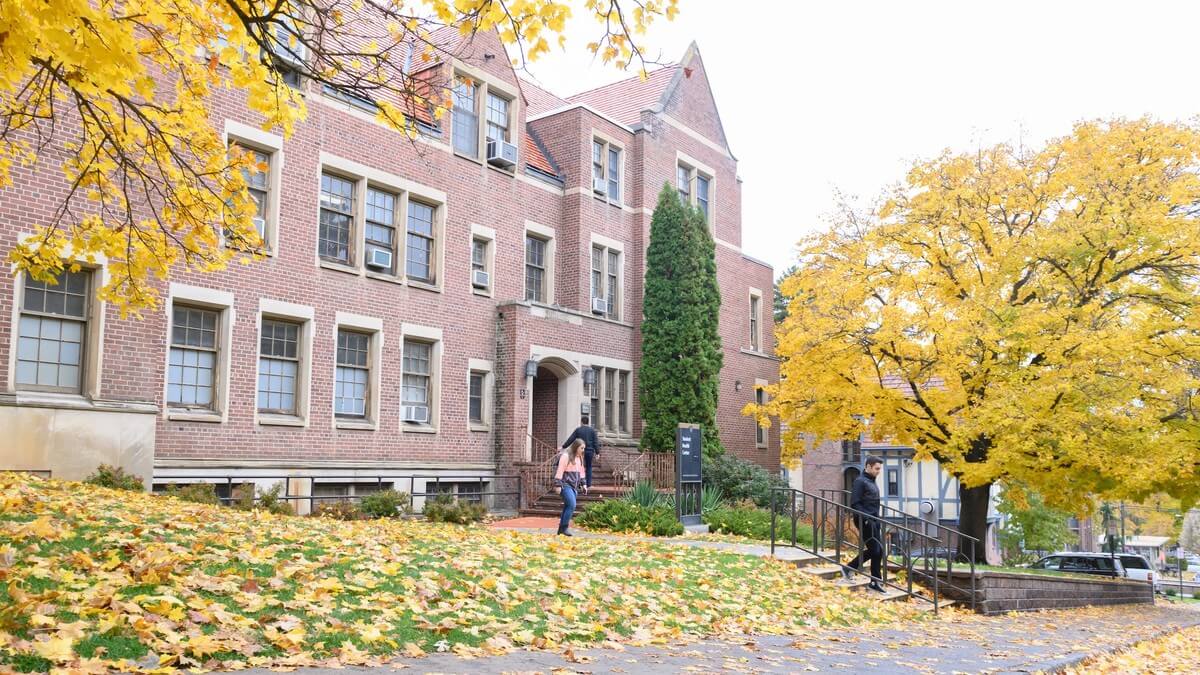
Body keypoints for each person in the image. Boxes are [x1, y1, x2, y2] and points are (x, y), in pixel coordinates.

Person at [842, 456, 885, 592]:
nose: (879, 471)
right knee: (875, 550)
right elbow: (855, 503)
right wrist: (866, 517)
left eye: (879, 469)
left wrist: (876, 518)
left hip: (874, 520)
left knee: (879, 551)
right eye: (877, 468)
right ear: (868, 466)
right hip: (864, 520)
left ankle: (873, 581)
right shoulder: (860, 481)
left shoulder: (871, 481)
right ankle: (870, 580)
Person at [554, 439, 588, 536]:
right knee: (572, 505)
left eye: (584, 448)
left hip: (574, 486)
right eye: (581, 448)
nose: (583, 450)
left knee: (567, 506)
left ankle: (561, 529)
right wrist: (558, 485)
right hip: (565, 484)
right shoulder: (566, 456)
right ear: (576, 447)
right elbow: (560, 471)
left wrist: (584, 484)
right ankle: (565, 527)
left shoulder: (580, 457)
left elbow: (581, 472)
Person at [562, 416, 601, 488]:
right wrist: (597, 453)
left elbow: (571, 439)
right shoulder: (592, 431)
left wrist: (564, 446)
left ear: (581, 422)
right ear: (588, 422)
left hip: (580, 451)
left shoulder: (578, 430)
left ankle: (580, 484)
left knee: (579, 467)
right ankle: (588, 484)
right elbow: (596, 442)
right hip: (590, 451)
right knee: (589, 467)